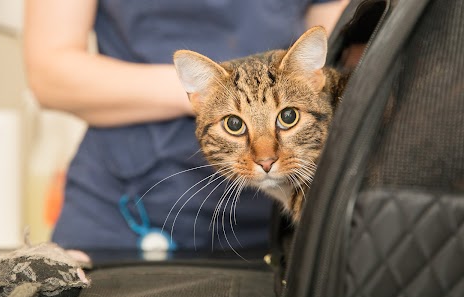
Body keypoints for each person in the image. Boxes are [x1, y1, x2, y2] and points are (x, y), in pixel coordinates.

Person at [23, 0, 348, 254]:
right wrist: (214, 96)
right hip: (121, 214)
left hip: (270, 221)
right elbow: (48, 74)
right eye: (235, 125)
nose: (265, 155)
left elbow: (341, 43)